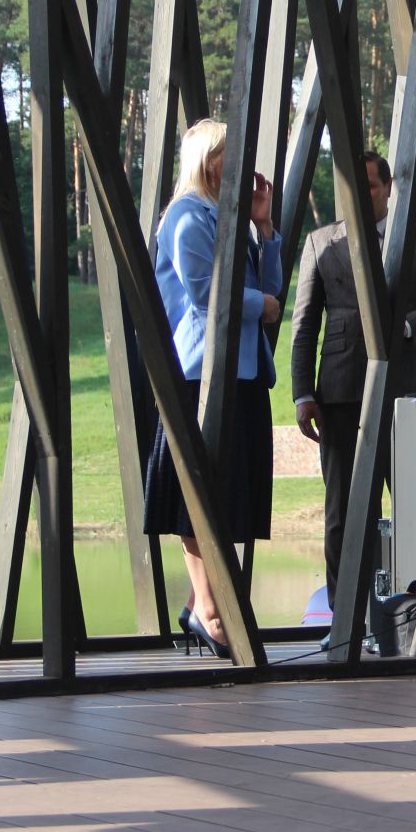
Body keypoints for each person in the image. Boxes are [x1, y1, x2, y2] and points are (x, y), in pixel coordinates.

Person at [290, 149, 416, 614]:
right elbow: (304, 324)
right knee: (343, 515)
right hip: (340, 393)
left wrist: (405, 326)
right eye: (354, 187)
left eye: (370, 185)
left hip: (406, 392)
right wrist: (303, 393)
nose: (363, 195)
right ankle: (344, 618)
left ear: (388, 188)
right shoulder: (319, 243)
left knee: (413, 504)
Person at [144, 118, 281, 659]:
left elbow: (270, 291)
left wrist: (265, 229)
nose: (245, 165)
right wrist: (262, 306)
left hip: (242, 372)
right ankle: (207, 605)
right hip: (200, 374)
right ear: (209, 160)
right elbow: (205, 295)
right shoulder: (186, 217)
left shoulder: (231, 221)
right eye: (234, 154)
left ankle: (201, 605)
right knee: (196, 496)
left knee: (225, 497)